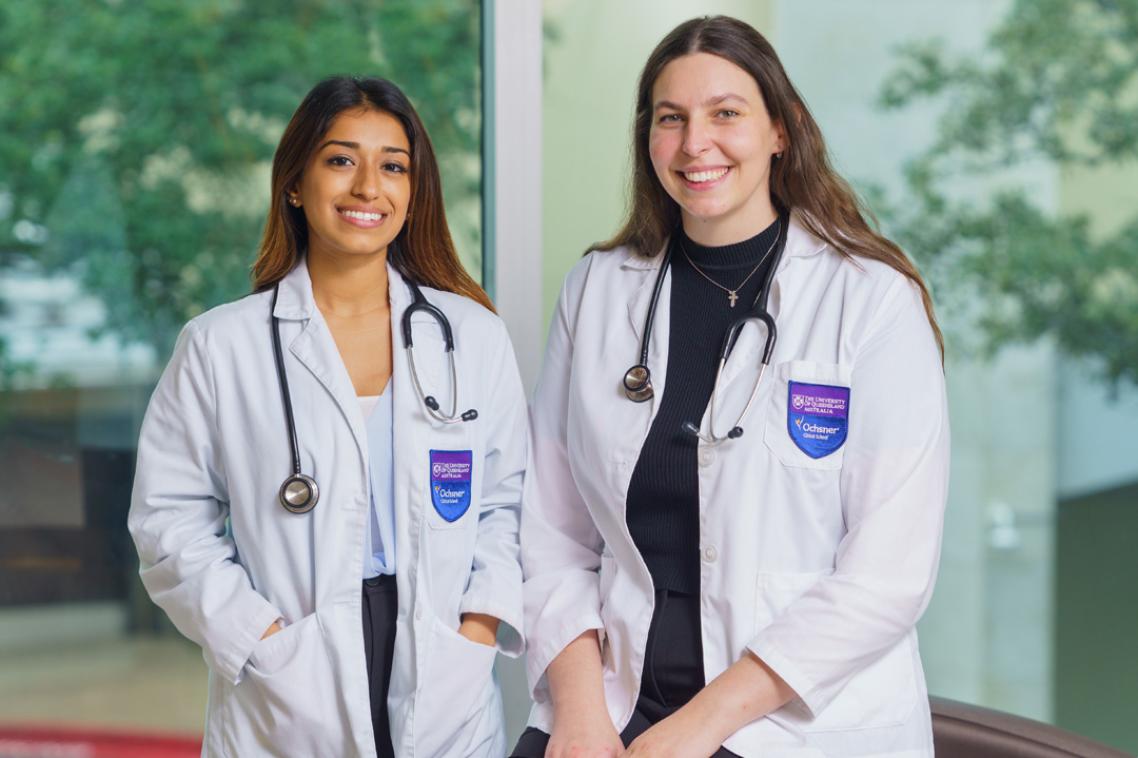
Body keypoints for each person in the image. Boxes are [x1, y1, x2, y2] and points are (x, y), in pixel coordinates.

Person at [513, 15, 949, 758]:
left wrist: (696, 728)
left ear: (782, 130)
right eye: (670, 119)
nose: (694, 145)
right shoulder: (597, 291)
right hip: (615, 704)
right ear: (646, 138)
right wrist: (581, 714)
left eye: (725, 114)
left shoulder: (871, 302)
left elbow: (887, 579)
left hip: (790, 721)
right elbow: (549, 532)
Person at [128, 76, 526, 758]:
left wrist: (478, 629)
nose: (369, 186)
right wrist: (259, 636)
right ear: (294, 183)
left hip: (440, 664)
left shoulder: (469, 337)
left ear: (413, 190)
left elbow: (507, 505)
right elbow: (167, 522)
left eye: (393, 166)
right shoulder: (221, 346)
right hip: (289, 676)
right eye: (342, 160)